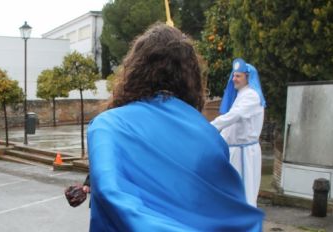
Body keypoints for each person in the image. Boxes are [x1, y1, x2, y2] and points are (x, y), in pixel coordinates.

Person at [87, 23, 263, 231]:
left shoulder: (107, 126)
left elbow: (112, 194)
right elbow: (227, 212)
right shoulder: (208, 135)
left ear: (134, 69)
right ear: (191, 77)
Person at [211, 58, 266, 207]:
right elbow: (231, 127)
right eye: (233, 75)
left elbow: (234, 116)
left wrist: (210, 127)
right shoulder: (242, 94)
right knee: (232, 192)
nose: (234, 79)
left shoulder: (251, 96)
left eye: (238, 76)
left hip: (244, 153)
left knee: (244, 193)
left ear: (247, 77)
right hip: (235, 151)